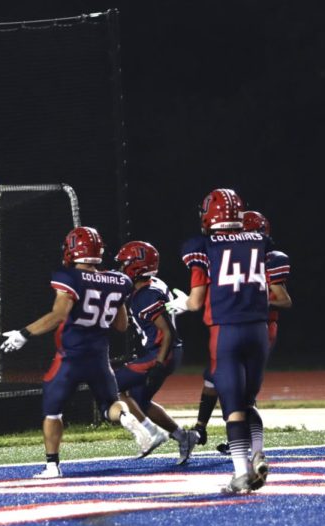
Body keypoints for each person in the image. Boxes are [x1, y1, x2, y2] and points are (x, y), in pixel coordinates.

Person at [0, 226, 134, 479]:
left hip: (71, 356)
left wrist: (24, 333)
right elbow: (121, 326)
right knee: (109, 406)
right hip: (100, 357)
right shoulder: (119, 280)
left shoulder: (69, 277)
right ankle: (126, 417)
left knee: (52, 410)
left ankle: (52, 465)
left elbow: (58, 315)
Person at [165, 189, 273, 494]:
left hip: (227, 330)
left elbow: (197, 301)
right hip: (259, 331)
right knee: (248, 401)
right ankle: (257, 454)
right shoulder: (259, 239)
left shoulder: (202, 245)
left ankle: (241, 474)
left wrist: (181, 304)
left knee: (233, 407)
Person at [187, 211, 292, 453]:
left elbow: (284, 300)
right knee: (216, 379)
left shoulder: (267, 258)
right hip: (245, 325)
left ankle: (249, 449)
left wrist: (254, 301)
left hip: (257, 326)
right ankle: (207, 430)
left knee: (234, 390)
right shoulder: (246, 255)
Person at [112, 241, 199, 464]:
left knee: (111, 385)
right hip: (165, 351)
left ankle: (150, 433)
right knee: (140, 400)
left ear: (136, 267)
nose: (122, 269)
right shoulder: (153, 284)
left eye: (125, 264)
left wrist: (159, 363)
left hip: (160, 353)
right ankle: (183, 436)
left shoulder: (145, 296)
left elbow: (166, 332)